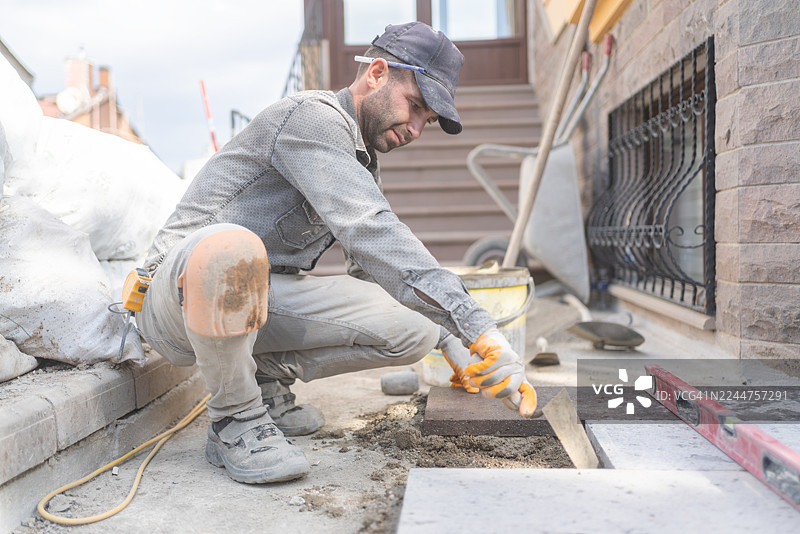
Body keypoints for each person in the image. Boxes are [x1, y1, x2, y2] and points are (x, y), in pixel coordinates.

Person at [138, 21, 536, 485]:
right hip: (175, 300)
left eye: (426, 121)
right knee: (232, 248)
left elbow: (369, 266)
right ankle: (236, 419)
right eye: (415, 108)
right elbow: (372, 231)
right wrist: (478, 326)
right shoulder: (312, 118)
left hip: (254, 298)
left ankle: (262, 385)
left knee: (416, 327)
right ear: (379, 73)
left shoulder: (360, 154)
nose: (415, 129)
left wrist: (452, 340)